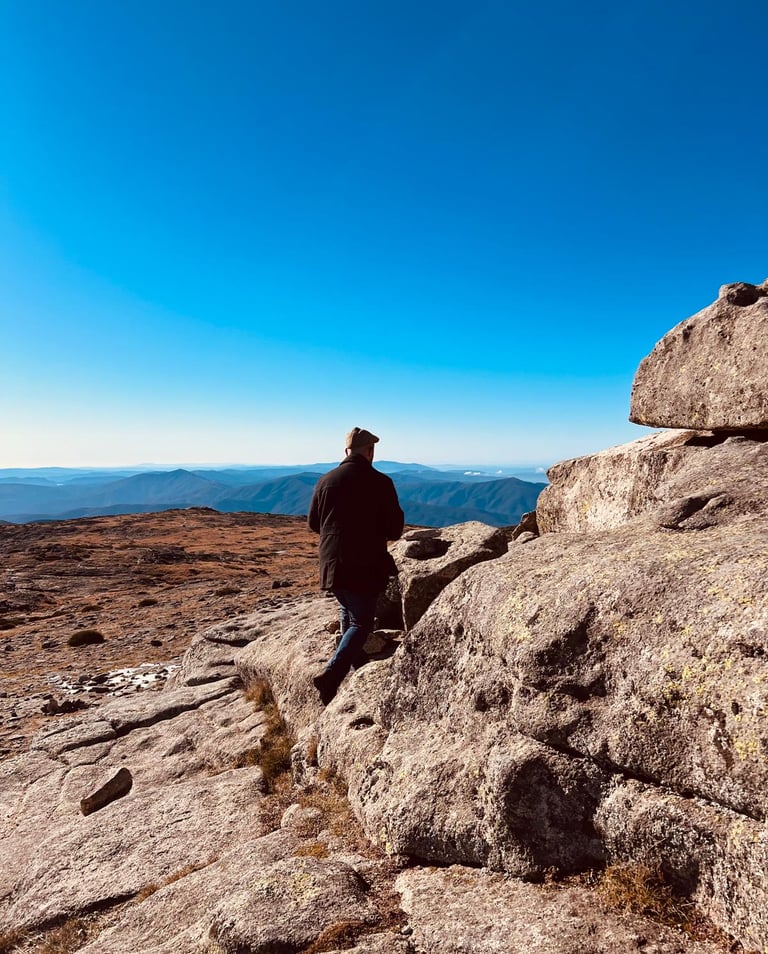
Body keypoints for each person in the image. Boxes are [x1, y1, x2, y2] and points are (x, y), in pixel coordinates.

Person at [308, 427, 404, 704]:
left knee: (348, 610)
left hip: (331, 562)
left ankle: (357, 661)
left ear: (346, 451)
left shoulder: (325, 481)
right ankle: (331, 676)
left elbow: (314, 523)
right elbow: (394, 529)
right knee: (361, 622)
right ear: (370, 451)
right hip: (365, 563)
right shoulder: (380, 482)